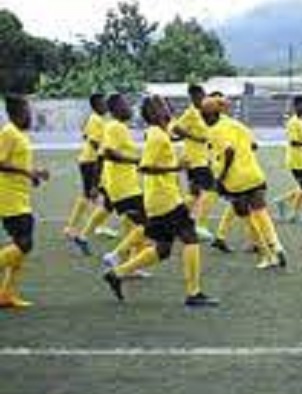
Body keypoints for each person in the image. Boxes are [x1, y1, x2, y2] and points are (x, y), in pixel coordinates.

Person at [102, 96, 218, 307]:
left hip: (159, 198)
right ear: (156, 112)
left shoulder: (158, 133)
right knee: (190, 238)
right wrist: (176, 168)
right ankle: (194, 293)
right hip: (165, 199)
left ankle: (117, 273)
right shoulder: (157, 136)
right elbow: (145, 167)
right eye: (163, 106)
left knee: (163, 249)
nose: (168, 108)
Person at [203, 96, 287, 270]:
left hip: (235, 180)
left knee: (247, 217)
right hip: (253, 173)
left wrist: (220, 178)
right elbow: (254, 145)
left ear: (208, 114)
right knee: (261, 211)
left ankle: (267, 255)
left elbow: (228, 151)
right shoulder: (236, 124)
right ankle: (276, 244)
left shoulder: (214, 130)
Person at [73, 95, 148, 277]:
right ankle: (116, 256)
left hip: (124, 185)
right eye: (125, 105)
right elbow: (107, 152)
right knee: (148, 224)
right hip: (123, 188)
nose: (129, 108)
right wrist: (136, 160)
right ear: (115, 109)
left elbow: (101, 154)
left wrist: (97, 182)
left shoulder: (118, 127)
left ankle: (131, 265)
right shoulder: (114, 127)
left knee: (131, 223)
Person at [0, 96, 49, 309]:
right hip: (8, 196)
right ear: (16, 112)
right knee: (24, 243)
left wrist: (33, 175)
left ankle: (6, 294)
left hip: (20, 195)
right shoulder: (8, 132)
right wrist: (27, 172)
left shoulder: (20, 134)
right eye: (27, 110)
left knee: (22, 244)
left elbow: (18, 164)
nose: (30, 115)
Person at [172, 84, 215, 240]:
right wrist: (194, 137)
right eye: (201, 96)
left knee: (194, 193)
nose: (204, 98)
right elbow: (175, 128)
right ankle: (199, 225)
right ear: (193, 97)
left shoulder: (203, 112)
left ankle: (177, 221)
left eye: (205, 95)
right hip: (195, 159)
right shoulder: (190, 113)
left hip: (203, 157)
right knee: (211, 189)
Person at [64, 93, 107, 239]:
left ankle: (97, 226)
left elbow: (85, 135)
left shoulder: (95, 119)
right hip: (90, 161)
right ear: (96, 106)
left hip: (89, 160)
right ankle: (70, 227)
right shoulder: (96, 120)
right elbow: (94, 142)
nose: (105, 105)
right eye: (103, 103)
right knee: (89, 194)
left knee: (98, 193)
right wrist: (104, 153)